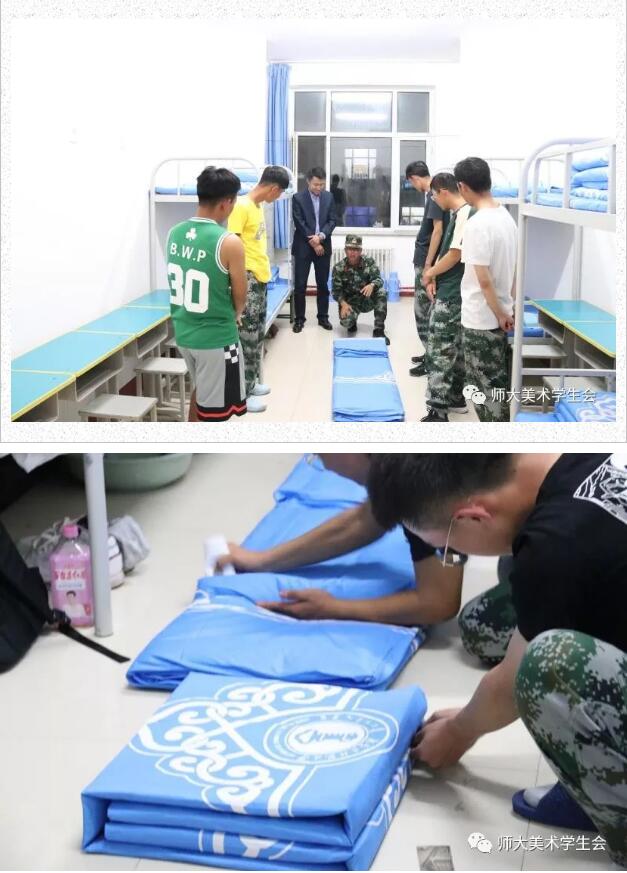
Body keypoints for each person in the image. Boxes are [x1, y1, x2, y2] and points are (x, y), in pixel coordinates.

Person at [367, 453, 627, 867]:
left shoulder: (555, 548)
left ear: (473, 516)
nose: (450, 557)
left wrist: (459, 731)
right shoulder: (580, 458)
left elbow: (513, 679)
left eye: (448, 550)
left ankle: (613, 802)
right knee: (493, 609)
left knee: (548, 665)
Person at [217, 453, 517, 665]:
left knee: (481, 627)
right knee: (508, 568)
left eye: (322, 454)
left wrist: (335, 608)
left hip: (541, 530)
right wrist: (261, 560)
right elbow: (366, 519)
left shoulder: (420, 485)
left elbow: (439, 602)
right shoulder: (398, 463)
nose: (324, 464)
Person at [167, 166, 247, 422]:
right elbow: (241, 295)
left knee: (200, 392)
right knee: (215, 414)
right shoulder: (228, 242)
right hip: (216, 340)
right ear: (226, 203)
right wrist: (236, 314)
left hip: (184, 333)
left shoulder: (174, 233)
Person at [454, 157, 517, 422]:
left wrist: (500, 313)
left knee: (485, 392)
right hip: (501, 314)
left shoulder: (477, 224)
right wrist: (508, 308)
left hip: (482, 319)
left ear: (462, 187)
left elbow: (484, 280)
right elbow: (513, 269)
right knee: (497, 385)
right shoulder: (507, 218)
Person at [227, 165, 290, 413]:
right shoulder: (241, 207)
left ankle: (251, 384)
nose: (278, 197)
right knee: (246, 338)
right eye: (280, 193)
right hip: (247, 279)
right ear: (273, 189)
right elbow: (231, 246)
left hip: (259, 277)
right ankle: (240, 396)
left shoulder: (257, 206)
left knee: (256, 334)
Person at [419, 173, 475, 423]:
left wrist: (429, 273)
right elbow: (449, 253)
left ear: (443, 191)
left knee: (439, 349)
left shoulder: (465, 213)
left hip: (452, 294)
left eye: (433, 195)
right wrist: (434, 276)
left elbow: (454, 255)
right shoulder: (460, 214)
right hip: (452, 289)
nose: (434, 200)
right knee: (455, 348)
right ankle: (455, 398)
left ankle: (438, 410)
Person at [405, 161, 448, 377]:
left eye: (412, 183)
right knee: (426, 311)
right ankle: (429, 354)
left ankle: (431, 361)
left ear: (414, 178)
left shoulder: (433, 194)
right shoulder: (435, 194)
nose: (414, 187)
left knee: (423, 312)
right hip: (426, 260)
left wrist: (428, 266)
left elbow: (438, 231)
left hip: (426, 262)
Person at [291, 167, 337, 333]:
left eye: (322, 184)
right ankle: (299, 319)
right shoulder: (298, 198)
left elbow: (332, 220)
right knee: (300, 285)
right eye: (316, 184)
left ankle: (323, 317)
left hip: (323, 246)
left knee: (323, 284)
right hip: (303, 247)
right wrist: (314, 241)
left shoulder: (329, 197)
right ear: (308, 182)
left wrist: (321, 237)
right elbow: (299, 222)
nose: (319, 188)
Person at [331, 235, 389, 345]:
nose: (353, 252)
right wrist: (343, 304)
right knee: (346, 323)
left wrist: (372, 285)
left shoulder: (369, 262)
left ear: (361, 251)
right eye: (350, 249)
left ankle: (379, 330)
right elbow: (335, 291)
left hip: (366, 299)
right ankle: (352, 322)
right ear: (345, 250)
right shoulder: (339, 268)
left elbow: (379, 279)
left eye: (356, 249)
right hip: (350, 302)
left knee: (381, 292)